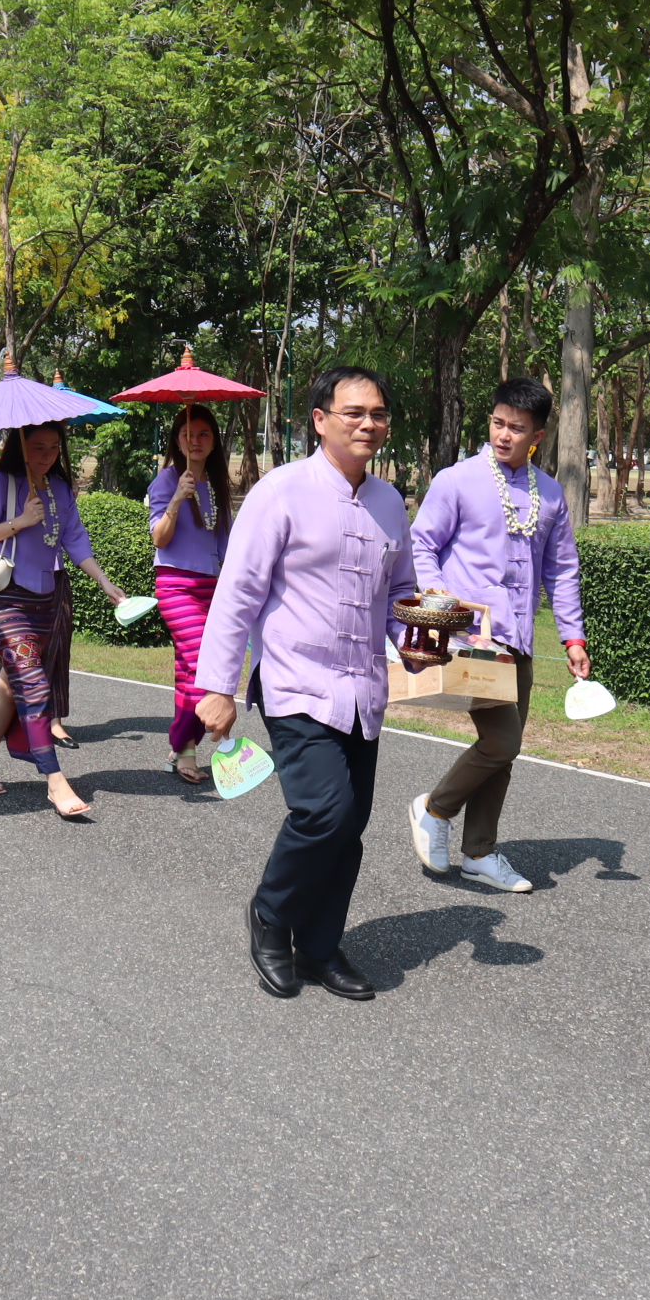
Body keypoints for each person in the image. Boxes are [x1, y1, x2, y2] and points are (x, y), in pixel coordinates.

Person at [195, 367, 416, 1001]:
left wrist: (420, 640)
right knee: (325, 812)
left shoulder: (389, 502)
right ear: (319, 419)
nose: (368, 423)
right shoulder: (280, 492)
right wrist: (217, 685)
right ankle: (270, 913)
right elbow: (238, 594)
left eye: (377, 412)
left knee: (351, 826)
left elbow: (401, 592)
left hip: (364, 692)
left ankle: (321, 946)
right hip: (295, 683)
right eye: (353, 412)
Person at [406, 376, 592, 893]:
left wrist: (572, 638)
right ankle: (435, 808)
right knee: (504, 740)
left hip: (521, 639)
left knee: (503, 752)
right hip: (471, 638)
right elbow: (422, 544)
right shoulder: (457, 480)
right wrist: (439, 597)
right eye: (497, 423)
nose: (504, 434)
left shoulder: (550, 493)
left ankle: (479, 852)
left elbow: (563, 570)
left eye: (517, 428)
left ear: (539, 434)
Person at [0, 421, 128, 817]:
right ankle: (55, 780)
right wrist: (20, 520)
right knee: (34, 684)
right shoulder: (0, 482)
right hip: (4, 599)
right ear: (20, 447)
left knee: (10, 684)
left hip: (46, 600)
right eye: (38, 446)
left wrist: (105, 582)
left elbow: (75, 539)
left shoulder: (58, 488)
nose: (48, 454)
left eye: (55, 446)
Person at [145, 404, 232, 782]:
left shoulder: (217, 485)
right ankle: (210, 742)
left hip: (214, 588)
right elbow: (159, 539)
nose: (195, 441)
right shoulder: (166, 480)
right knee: (204, 667)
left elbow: (228, 546)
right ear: (176, 442)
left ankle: (184, 751)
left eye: (203, 435)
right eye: (187, 435)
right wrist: (178, 499)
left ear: (213, 442)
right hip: (176, 585)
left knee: (187, 671)